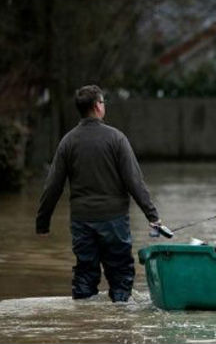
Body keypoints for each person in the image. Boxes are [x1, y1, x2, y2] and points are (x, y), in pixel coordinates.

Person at [36, 85, 164, 302]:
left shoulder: (68, 141)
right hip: (114, 220)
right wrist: (153, 216)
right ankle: (119, 318)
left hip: (81, 220)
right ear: (97, 106)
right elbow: (134, 182)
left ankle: (84, 320)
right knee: (121, 274)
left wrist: (43, 222)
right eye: (103, 102)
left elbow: (53, 186)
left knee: (85, 273)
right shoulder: (117, 139)